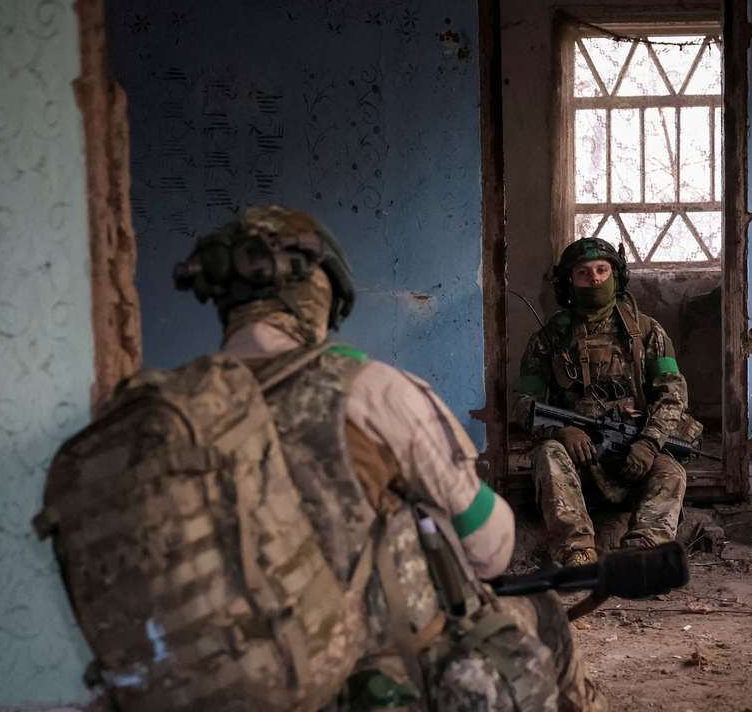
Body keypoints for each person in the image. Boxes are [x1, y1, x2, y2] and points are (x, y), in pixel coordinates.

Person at [176, 206, 605, 711]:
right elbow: (489, 549)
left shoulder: (171, 410)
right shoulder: (371, 390)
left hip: (209, 680)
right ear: (326, 294)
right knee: (542, 609)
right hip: (352, 676)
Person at [514, 238, 695, 567]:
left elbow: (673, 394)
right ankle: (576, 551)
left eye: (602, 270)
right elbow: (523, 402)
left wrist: (649, 443)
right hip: (579, 458)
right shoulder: (549, 340)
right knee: (548, 454)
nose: (594, 278)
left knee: (671, 470)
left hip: (632, 451)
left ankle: (643, 553)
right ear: (569, 282)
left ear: (616, 275)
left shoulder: (647, 332)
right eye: (583, 273)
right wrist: (561, 430)